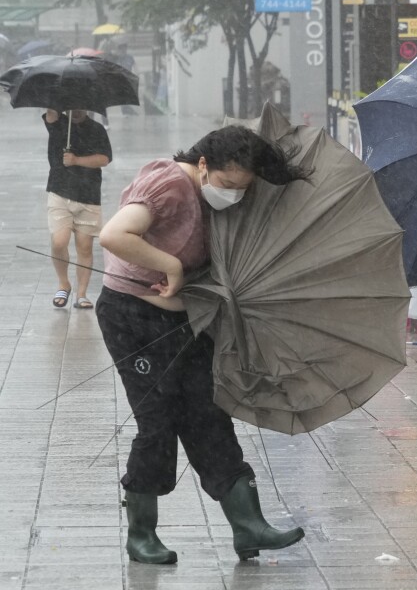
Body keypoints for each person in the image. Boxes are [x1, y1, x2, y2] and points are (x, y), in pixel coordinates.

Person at [96, 126, 311, 565]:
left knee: (207, 412)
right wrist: (170, 265)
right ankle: (141, 534)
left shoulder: (215, 191)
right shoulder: (169, 184)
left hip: (181, 319)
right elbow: (114, 236)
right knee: (157, 422)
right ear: (203, 165)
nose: (233, 195)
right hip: (131, 318)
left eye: (242, 188)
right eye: (228, 185)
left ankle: (248, 526)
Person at [43, 109, 112, 309]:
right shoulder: (58, 124)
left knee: (84, 247)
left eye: (81, 105)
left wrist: (76, 161)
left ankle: (81, 293)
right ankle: (64, 283)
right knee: (59, 241)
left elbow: (105, 159)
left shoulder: (97, 129)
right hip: (59, 191)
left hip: (88, 195)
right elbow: (50, 114)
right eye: (72, 105)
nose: (77, 109)